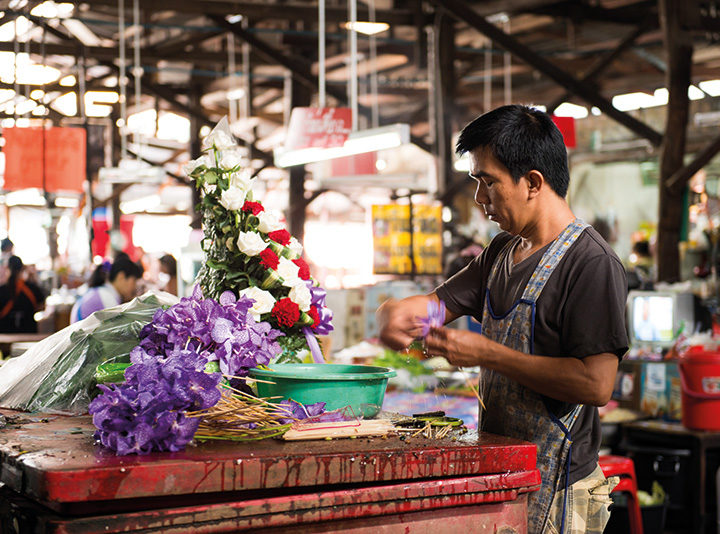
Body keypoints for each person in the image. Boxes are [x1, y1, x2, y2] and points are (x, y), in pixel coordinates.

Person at [377, 105, 628, 534]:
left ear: (532, 182)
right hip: (504, 474)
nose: (479, 198)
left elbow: (595, 384)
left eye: (487, 181)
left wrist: (489, 355)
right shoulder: (501, 253)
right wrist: (396, 313)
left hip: (561, 488)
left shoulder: (591, 262)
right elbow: (436, 306)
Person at [71, 256, 143, 323]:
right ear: (121, 277)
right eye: (134, 281)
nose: (134, 287)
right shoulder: (107, 298)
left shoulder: (101, 292)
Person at [0, 255, 46, 333]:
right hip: (28, 333)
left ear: (7, 268)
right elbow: (42, 306)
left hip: (4, 335)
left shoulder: (1, 290)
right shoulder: (32, 288)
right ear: (22, 268)